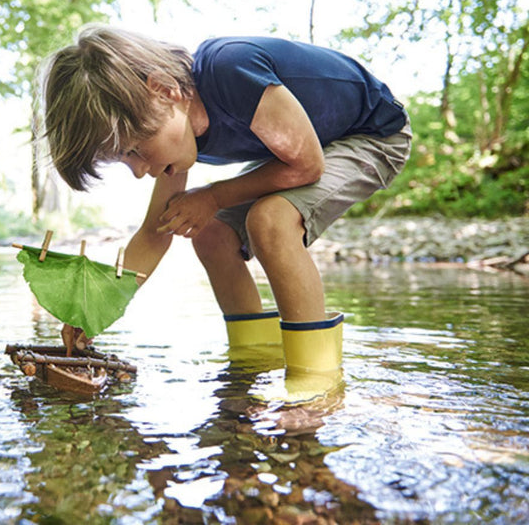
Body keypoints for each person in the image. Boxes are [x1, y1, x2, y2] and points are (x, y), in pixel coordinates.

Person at [42, 25, 412, 400]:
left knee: (270, 219)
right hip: (304, 152)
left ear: (164, 91)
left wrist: (214, 197)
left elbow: (307, 166)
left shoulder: (230, 69)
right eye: (124, 161)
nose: (139, 170)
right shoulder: (179, 126)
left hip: (372, 135)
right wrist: (95, 306)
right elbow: (156, 233)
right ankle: (256, 361)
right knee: (211, 232)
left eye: (136, 148)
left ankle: (317, 382)